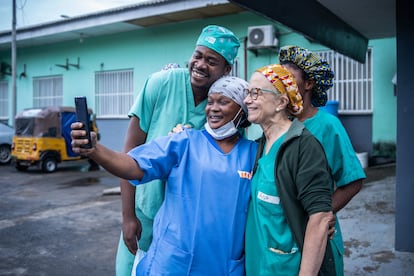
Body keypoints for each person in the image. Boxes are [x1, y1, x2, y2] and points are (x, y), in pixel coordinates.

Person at [71, 76, 258, 275]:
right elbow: (133, 165)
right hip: (173, 263)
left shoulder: (254, 153)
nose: (213, 108)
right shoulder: (184, 142)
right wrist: (96, 150)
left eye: (223, 102)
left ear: (241, 109)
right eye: (210, 101)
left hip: (223, 266)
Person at [116, 25, 240, 275]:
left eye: (212, 61)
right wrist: (128, 216)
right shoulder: (161, 84)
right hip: (145, 214)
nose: (201, 64)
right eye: (198, 55)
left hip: (187, 227)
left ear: (226, 69)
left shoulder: (225, 106)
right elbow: (130, 151)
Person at [279, 45, 366, 276]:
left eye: (288, 77)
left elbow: (353, 181)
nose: (281, 84)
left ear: (308, 84)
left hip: (316, 237)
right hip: (280, 235)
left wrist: (320, 217)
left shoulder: (327, 126)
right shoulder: (276, 124)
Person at [243, 64, 336, 275]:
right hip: (258, 266)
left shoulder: (304, 147)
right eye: (247, 93)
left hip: (287, 267)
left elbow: (320, 218)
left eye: (256, 93)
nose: (248, 100)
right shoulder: (260, 146)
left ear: (281, 102)